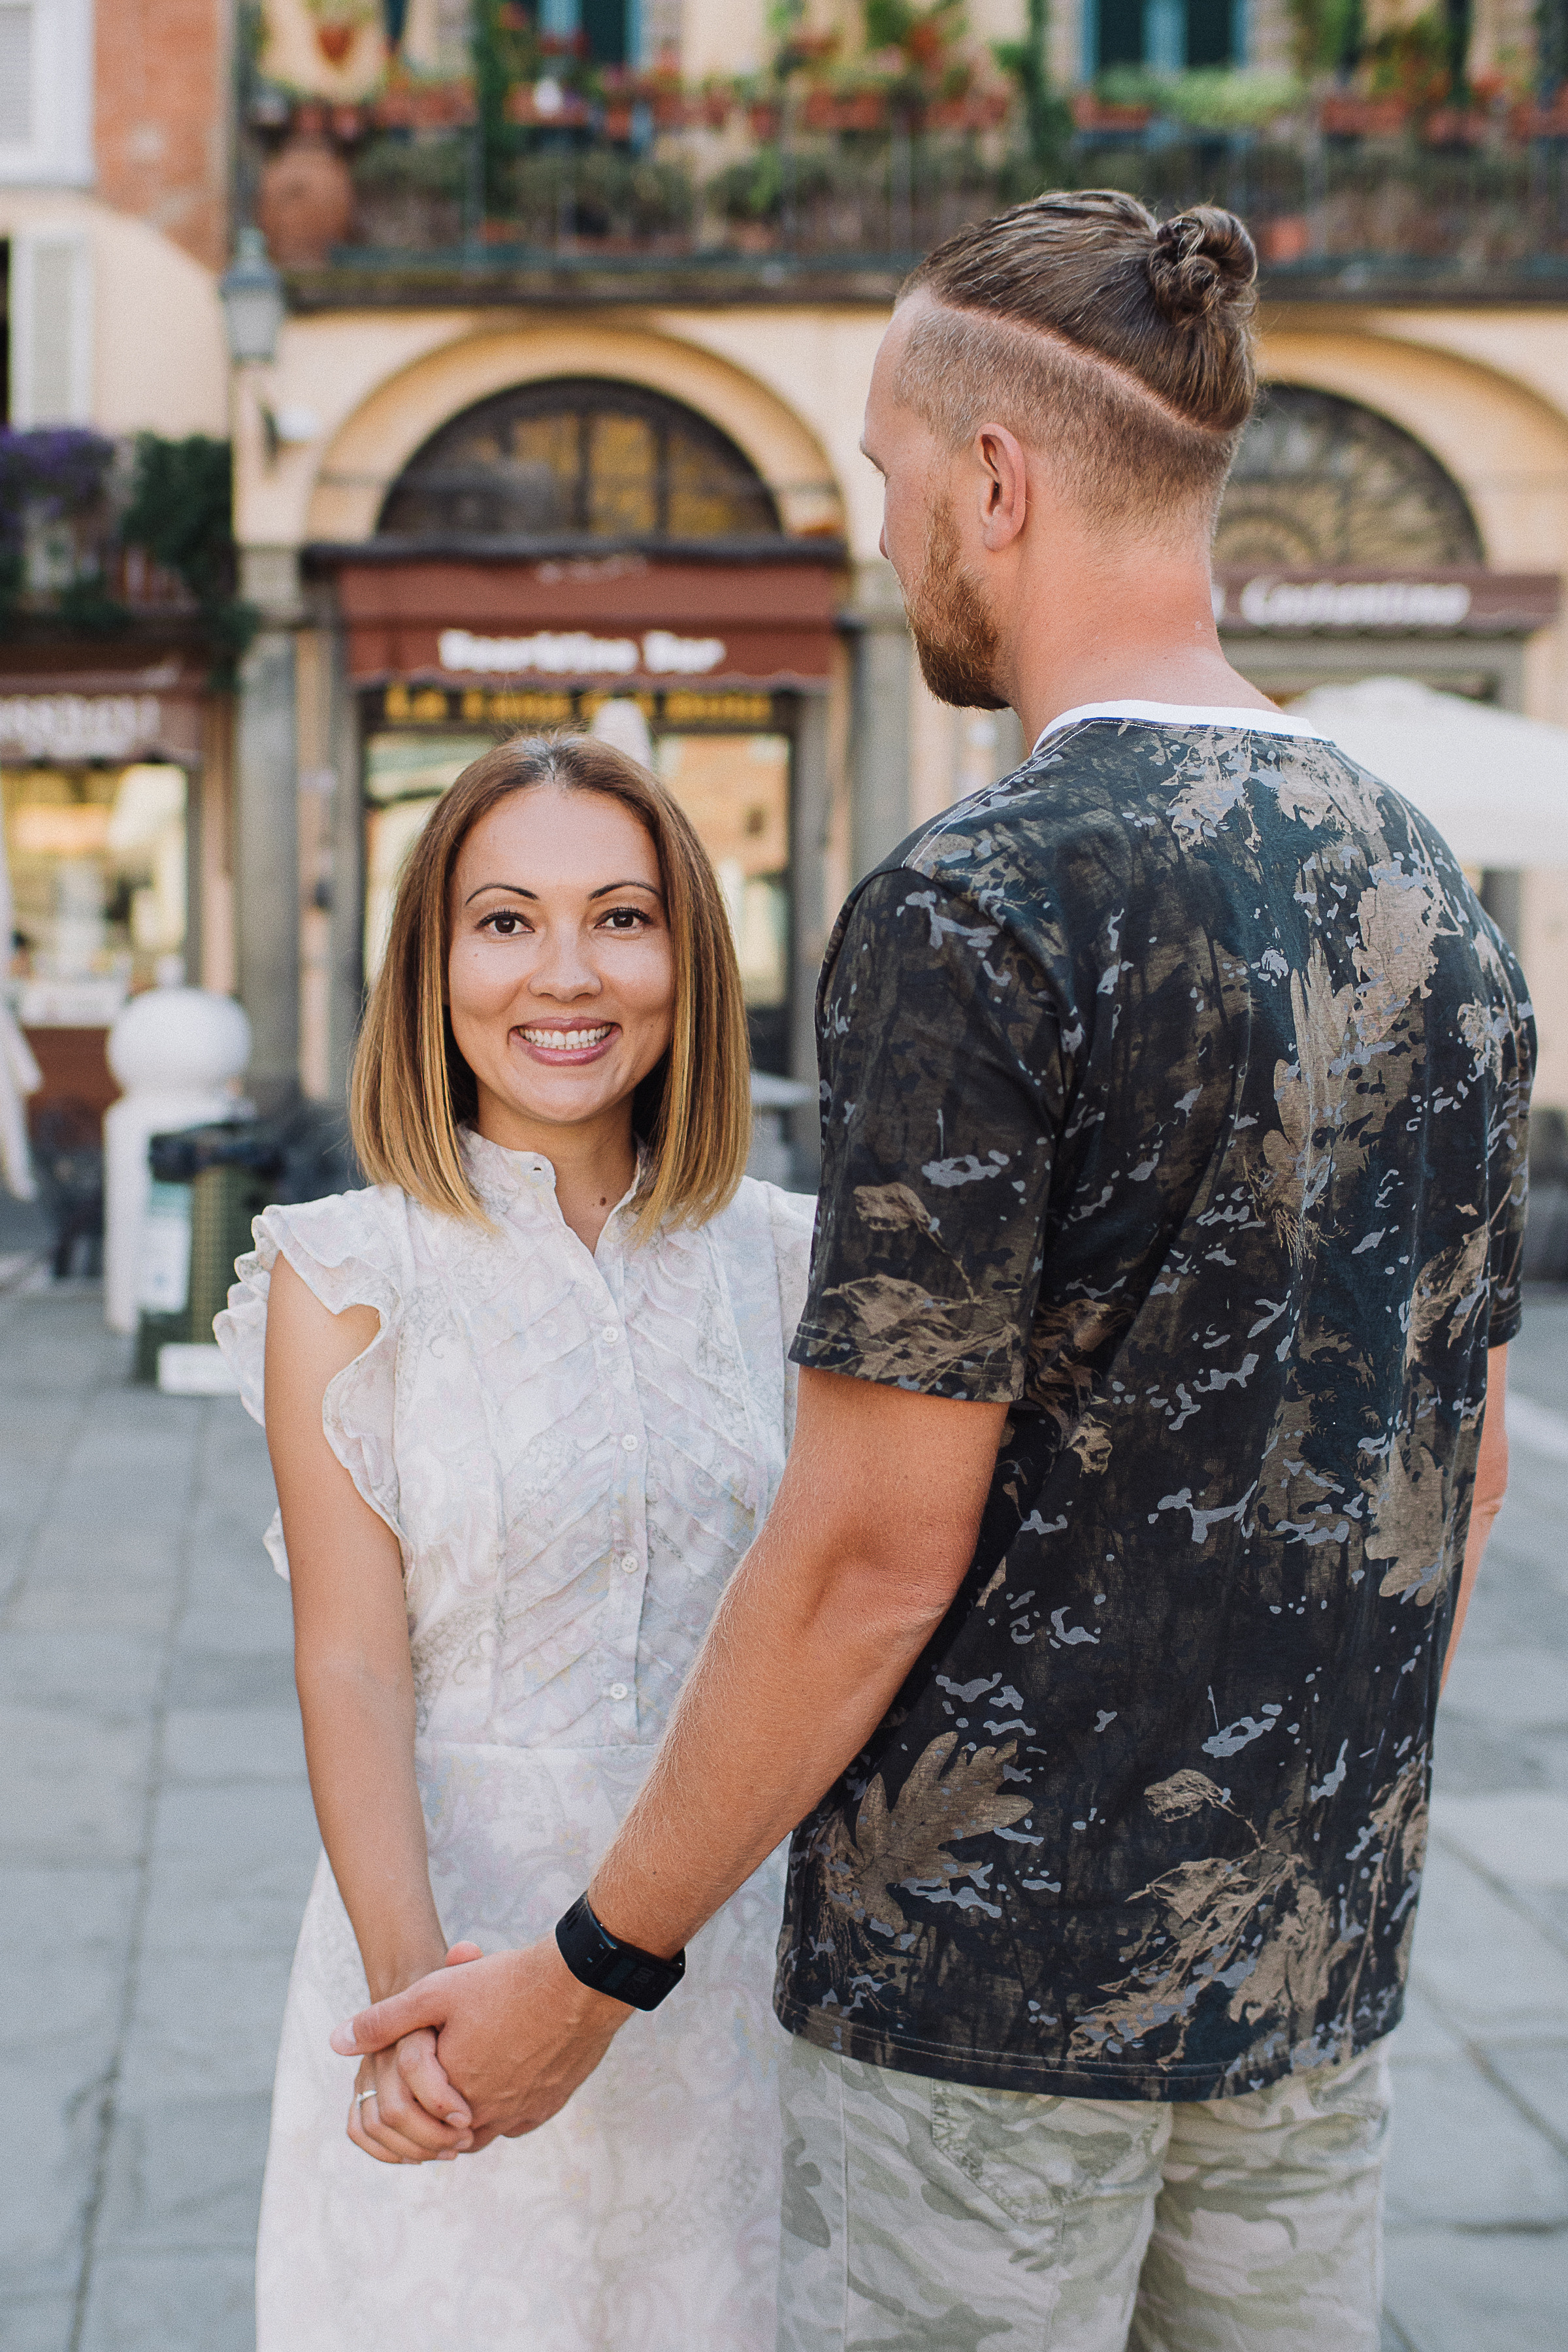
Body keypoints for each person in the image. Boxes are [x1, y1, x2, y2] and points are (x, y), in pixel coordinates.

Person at [338, 192, 1532, 2351]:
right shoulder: (1436, 890)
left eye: (890, 483)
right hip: (1311, 1983)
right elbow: (1466, 1474)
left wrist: (590, 1971)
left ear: (996, 481)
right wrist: (1292, 1848)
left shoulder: (974, 906)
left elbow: (874, 1548)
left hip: (988, 2015)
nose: (887, 540)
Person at [214, 734, 815, 2349]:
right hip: (444, 1920)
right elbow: (347, 1658)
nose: (568, 973)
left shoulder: (790, 1264)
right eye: (505, 921)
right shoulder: (338, 1276)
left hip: (733, 1950)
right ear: (432, 963)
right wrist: (420, 2007)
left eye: (622, 917)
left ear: (690, 956)